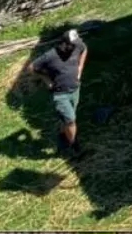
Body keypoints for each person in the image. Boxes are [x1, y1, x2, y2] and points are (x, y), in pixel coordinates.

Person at [26, 28, 88, 156]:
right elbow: (32, 68)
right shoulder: (50, 55)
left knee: (67, 120)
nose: (76, 47)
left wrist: (80, 68)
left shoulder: (77, 45)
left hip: (75, 89)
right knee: (71, 121)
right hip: (61, 94)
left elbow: (84, 49)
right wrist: (46, 79)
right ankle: (75, 148)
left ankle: (62, 141)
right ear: (65, 44)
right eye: (73, 45)